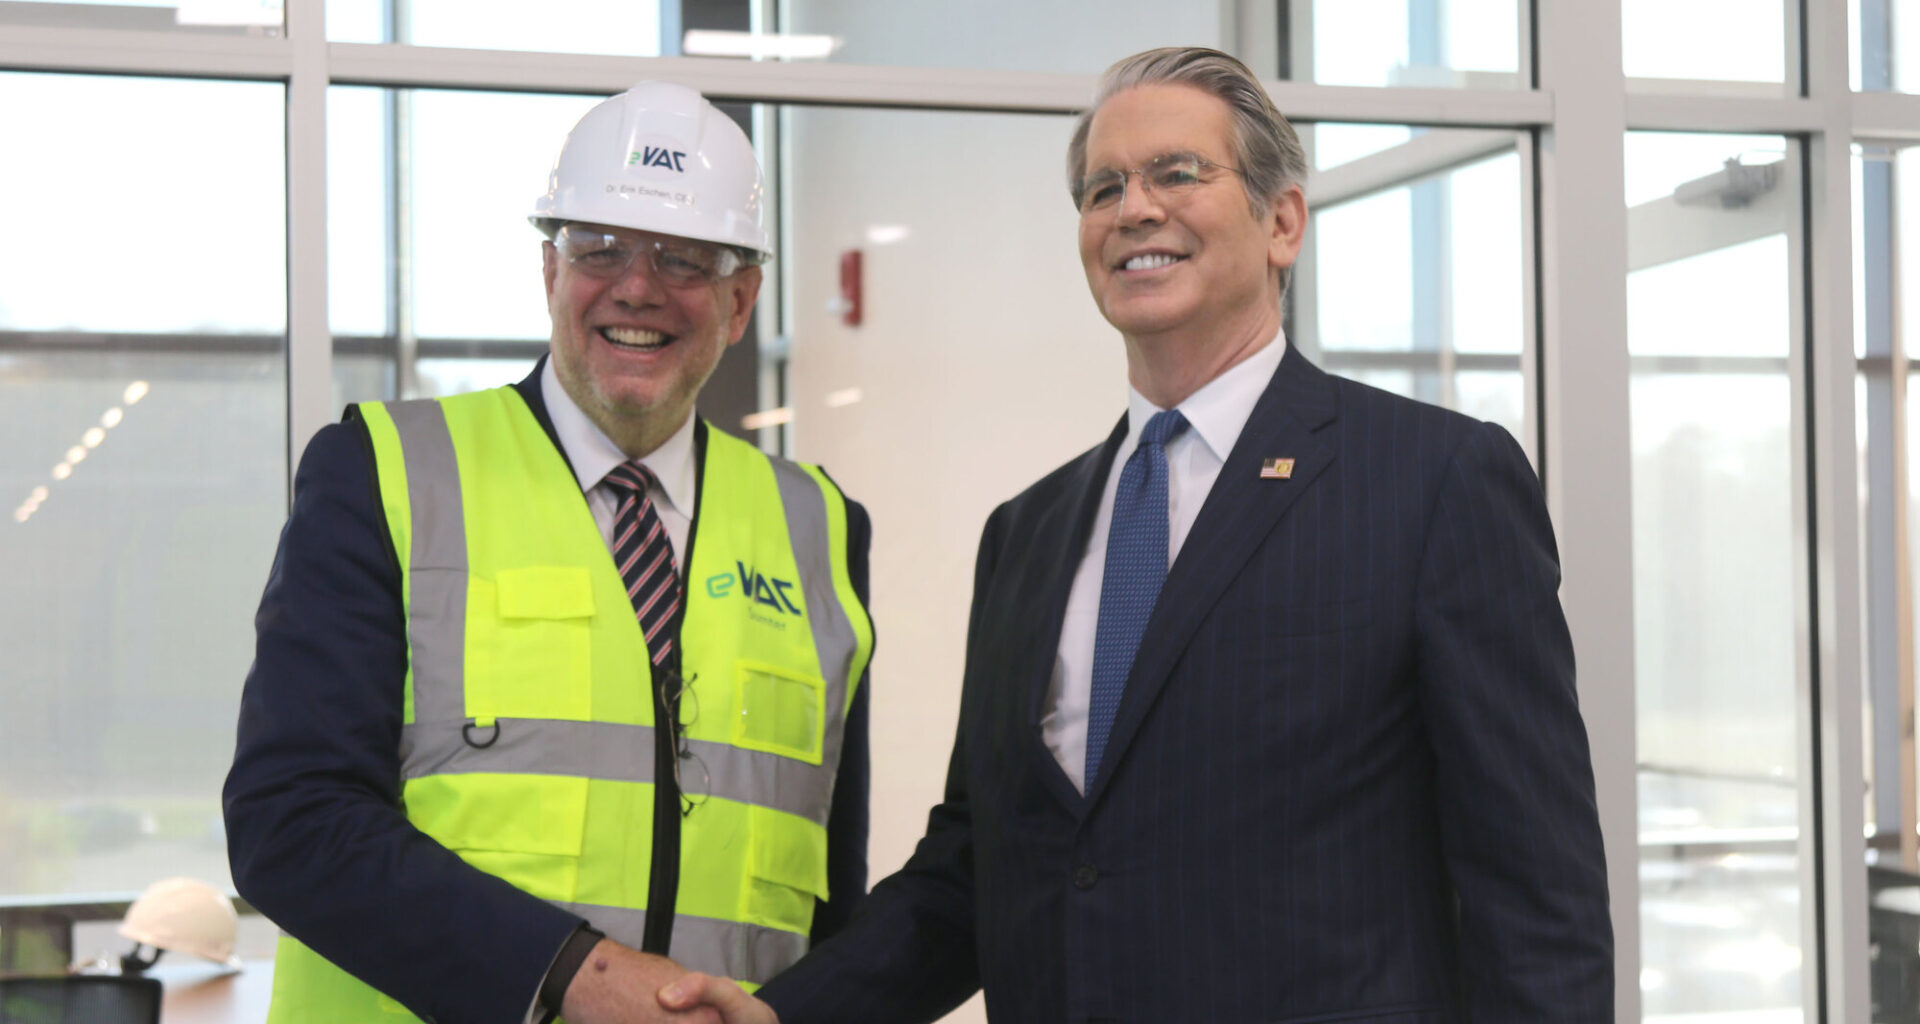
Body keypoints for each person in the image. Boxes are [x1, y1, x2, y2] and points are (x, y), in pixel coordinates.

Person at [666, 46, 1612, 1024]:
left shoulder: (1434, 482)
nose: (1133, 208)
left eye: (1176, 173)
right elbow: (975, 872)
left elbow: (1537, 898)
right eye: (1102, 187)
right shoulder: (1027, 534)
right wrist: (782, 1014)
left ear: (1282, 221)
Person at [224, 81, 874, 1024]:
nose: (636, 285)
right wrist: (573, 974)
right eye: (596, 247)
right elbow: (291, 821)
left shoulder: (820, 526)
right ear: (548, 272)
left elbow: (831, 893)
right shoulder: (386, 473)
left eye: (683, 259)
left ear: (741, 302)